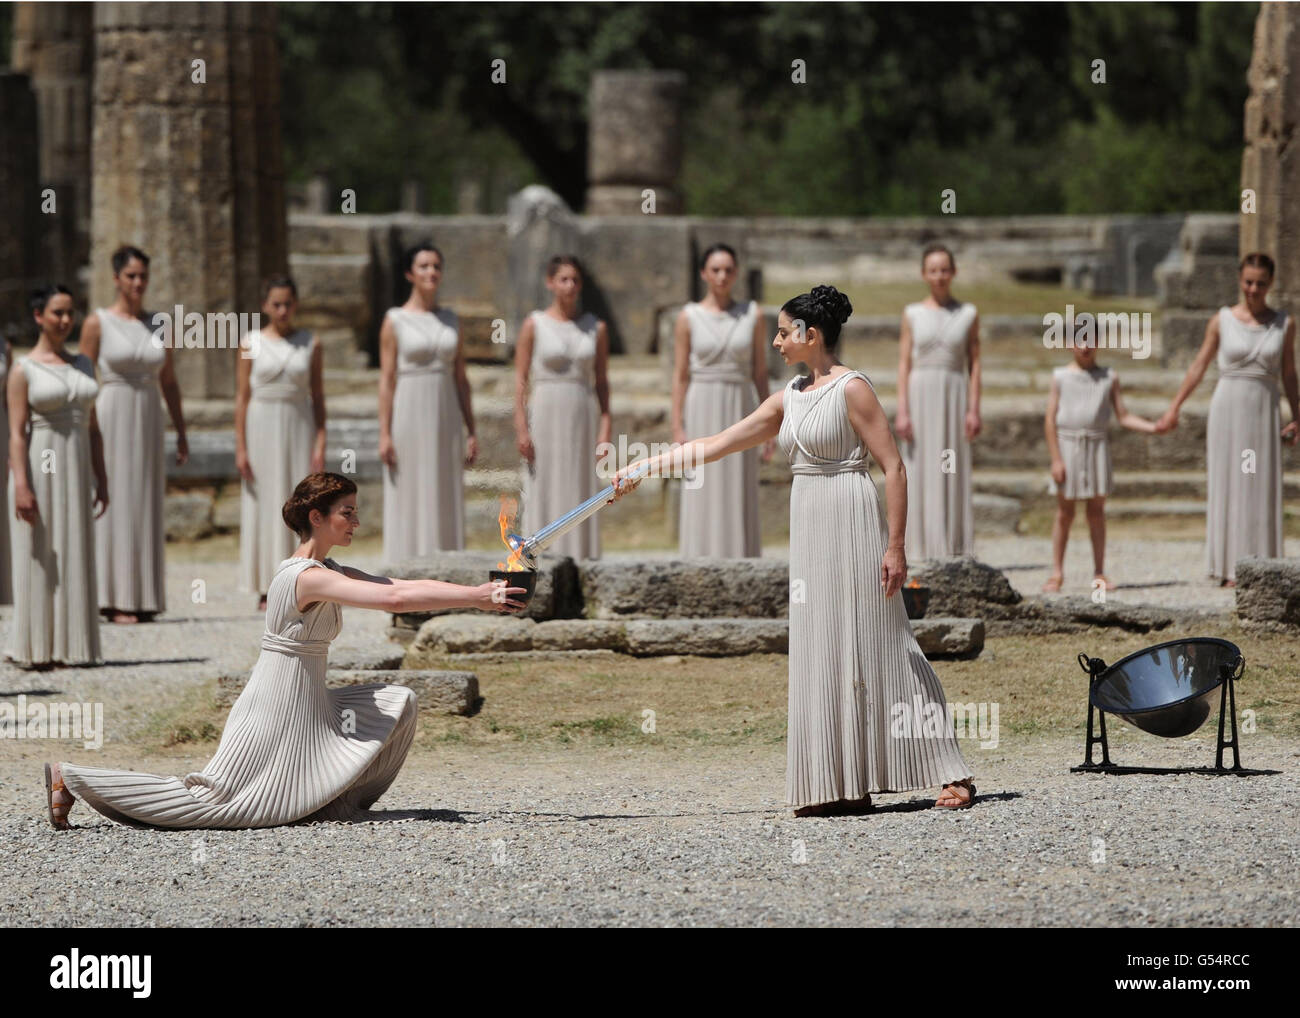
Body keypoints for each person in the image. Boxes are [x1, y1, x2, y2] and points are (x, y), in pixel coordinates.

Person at [614, 284, 975, 815]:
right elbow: (715, 445)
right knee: (824, 647)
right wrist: (643, 467)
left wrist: (896, 547)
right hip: (809, 524)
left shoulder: (854, 389)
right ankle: (843, 783)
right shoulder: (789, 397)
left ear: (812, 335)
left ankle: (953, 771)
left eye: (784, 333)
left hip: (853, 516)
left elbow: (894, 467)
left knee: (886, 640)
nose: (778, 343)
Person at [44, 471, 532, 830]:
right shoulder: (306, 576)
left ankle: (331, 803)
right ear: (316, 517)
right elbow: (394, 600)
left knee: (397, 702)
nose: (356, 521)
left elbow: (397, 583)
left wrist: (478, 591)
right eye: (347, 513)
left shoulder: (330, 568)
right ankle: (73, 776)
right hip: (274, 706)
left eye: (355, 511)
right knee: (216, 802)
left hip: (309, 705)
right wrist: (477, 598)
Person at [1157, 252, 1299, 586]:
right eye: (1248, 282)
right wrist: (1174, 407)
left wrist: (1297, 414)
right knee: (1232, 483)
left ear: (1271, 284)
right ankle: (1229, 567)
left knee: (1258, 484)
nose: (1253, 289)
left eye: (1261, 284)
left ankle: (1262, 566)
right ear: (1239, 280)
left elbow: (1289, 374)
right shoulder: (1221, 320)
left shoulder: (1284, 324)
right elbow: (1198, 366)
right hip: (1229, 409)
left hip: (1263, 409)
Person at [78, 244, 189, 624]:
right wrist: (85, 425)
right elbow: (81, 378)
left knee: (144, 500)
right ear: (115, 278)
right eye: (131, 276)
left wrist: (181, 429)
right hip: (111, 412)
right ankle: (111, 597)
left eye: (143, 275)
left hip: (149, 415)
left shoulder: (160, 323)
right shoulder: (97, 323)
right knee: (115, 499)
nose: (138, 282)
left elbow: (170, 382)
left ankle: (143, 596)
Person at [6, 285, 107, 668]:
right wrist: (21, 484)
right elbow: (16, 434)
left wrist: (103, 475)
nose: (65, 321)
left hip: (78, 464)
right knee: (41, 552)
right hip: (42, 464)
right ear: (38, 316)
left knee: (75, 547)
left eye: (69, 313)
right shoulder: (23, 369)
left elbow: (94, 427)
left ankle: (75, 644)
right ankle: (35, 646)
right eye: (57, 313)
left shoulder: (84, 363)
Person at [672, 243, 772, 557]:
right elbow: (680, 376)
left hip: (740, 404)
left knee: (737, 480)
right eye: (715, 270)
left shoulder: (752, 314)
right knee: (702, 479)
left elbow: (760, 372)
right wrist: (678, 427)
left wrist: (770, 424)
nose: (722, 276)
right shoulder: (688, 317)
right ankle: (699, 558)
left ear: (736, 273)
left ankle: (740, 557)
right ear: (704, 274)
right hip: (701, 403)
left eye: (728, 270)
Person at [380, 241, 477, 559]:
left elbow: (462, 378)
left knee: (444, 486)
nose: (431, 272)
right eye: (424, 266)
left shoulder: (452, 319)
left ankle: (445, 560)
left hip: (445, 410)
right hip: (408, 409)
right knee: (409, 483)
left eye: (436, 266)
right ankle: (405, 564)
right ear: (410, 273)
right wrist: (384, 433)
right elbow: (387, 379)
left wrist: (471, 429)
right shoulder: (394, 320)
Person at [1042, 328, 1159, 593]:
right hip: (1068, 446)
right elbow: (1050, 419)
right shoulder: (1060, 377)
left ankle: (1099, 573)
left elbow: (1124, 415)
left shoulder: (1109, 377)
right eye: (1079, 340)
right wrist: (1056, 459)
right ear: (1070, 343)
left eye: (1090, 340)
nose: (1085, 346)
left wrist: (1153, 427)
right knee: (1064, 513)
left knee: (1096, 512)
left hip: (1096, 447)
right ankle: (1057, 573)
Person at [514, 255, 612, 559]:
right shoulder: (534, 324)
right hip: (544, 412)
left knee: (579, 483)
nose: (570, 286)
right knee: (543, 482)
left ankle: (580, 557)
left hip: (581, 413)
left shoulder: (596, 327)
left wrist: (605, 428)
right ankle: (539, 557)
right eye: (564, 279)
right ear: (550, 282)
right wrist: (521, 428)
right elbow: (519, 379)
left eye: (575, 280)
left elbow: (602, 381)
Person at [236, 277, 325, 610]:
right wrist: (241, 447)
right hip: (261, 426)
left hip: (298, 424)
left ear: (296, 304)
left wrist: (321, 441)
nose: (283, 310)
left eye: (288, 303)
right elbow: (242, 398)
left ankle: (298, 577)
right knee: (265, 501)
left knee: (299, 499)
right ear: (265, 306)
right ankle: (265, 583)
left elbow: (318, 397)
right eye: (276, 304)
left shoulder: (310, 343)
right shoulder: (250, 342)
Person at [894, 243, 980, 561]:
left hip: (954, 392)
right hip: (920, 394)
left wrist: (974, 409)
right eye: (933, 270)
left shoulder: (968, 314)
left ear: (953, 272)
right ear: (923, 274)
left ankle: (952, 542)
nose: (939, 275)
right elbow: (904, 363)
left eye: (945, 269)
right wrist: (902, 410)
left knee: (950, 464)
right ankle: (919, 545)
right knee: (919, 466)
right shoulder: (912, 314)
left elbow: (976, 363)